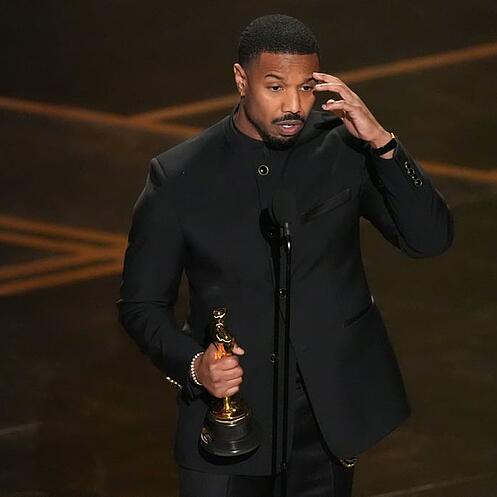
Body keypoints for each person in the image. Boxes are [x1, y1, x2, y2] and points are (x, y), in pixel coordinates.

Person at [117, 14, 453, 497]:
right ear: (241, 80)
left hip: (325, 424)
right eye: (275, 88)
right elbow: (141, 305)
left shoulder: (343, 147)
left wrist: (382, 143)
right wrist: (195, 365)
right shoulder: (179, 178)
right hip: (229, 429)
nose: (293, 105)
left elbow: (429, 239)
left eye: (305, 88)